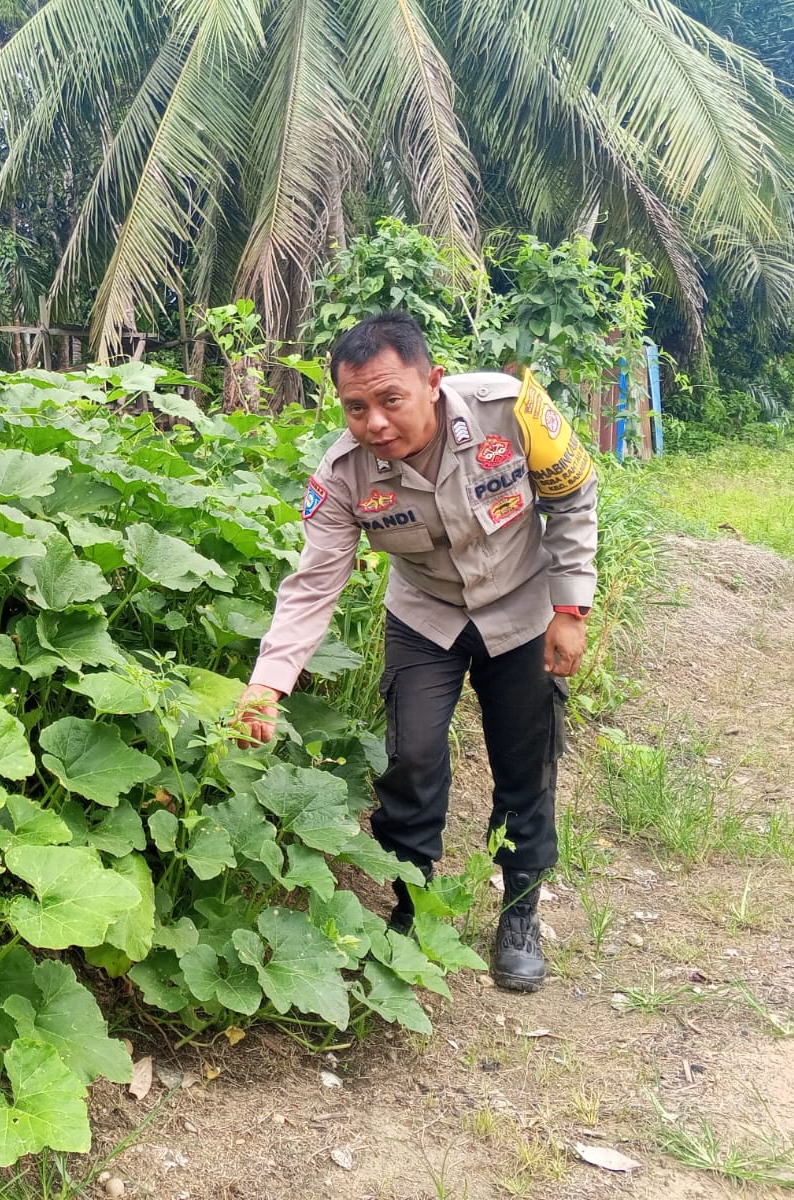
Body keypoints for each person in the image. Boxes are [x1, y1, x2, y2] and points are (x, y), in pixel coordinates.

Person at [233, 311, 598, 993]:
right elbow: (314, 583)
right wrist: (269, 684)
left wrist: (570, 607)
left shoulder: (509, 409)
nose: (374, 421)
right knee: (413, 757)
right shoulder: (344, 475)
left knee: (526, 758)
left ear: (432, 382)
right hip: (425, 617)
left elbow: (574, 498)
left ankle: (519, 910)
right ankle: (408, 906)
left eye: (389, 398)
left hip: (522, 607)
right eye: (355, 406)